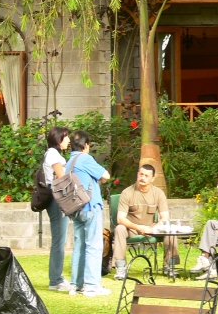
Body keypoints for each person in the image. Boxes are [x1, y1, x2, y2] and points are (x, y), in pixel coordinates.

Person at [112, 164, 179, 279]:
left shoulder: (158, 193)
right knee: (119, 228)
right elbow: (120, 219)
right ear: (137, 175)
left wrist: (153, 229)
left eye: (146, 176)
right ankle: (120, 267)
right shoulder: (127, 192)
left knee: (169, 229)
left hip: (152, 228)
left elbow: (165, 217)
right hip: (132, 229)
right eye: (141, 174)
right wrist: (139, 228)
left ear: (152, 178)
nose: (143, 178)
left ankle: (169, 266)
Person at [67, 130, 111, 297]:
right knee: (94, 245)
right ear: (86, 145)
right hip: (90, 206)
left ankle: (76, 284)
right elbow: (106, 175)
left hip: (75, 208)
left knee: (79, 245)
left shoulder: (69, 162)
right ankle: (92, 285)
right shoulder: (85, 159)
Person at [44, 126, 71, 292]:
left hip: (56, 197)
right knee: (59, 240)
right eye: (66, 137)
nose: (68, 140)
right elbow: (61, 176)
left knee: (60, 239)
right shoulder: (53, 154)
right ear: (59, 138)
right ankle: (55, 280)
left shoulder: (53, 153)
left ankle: (57, 277)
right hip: (56, 198)